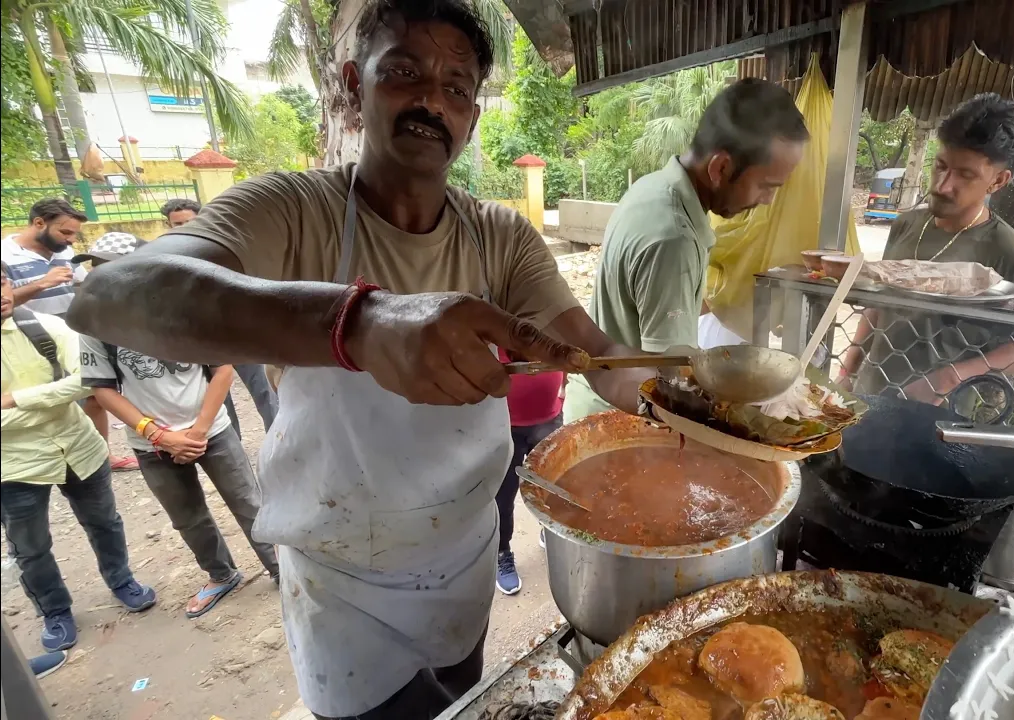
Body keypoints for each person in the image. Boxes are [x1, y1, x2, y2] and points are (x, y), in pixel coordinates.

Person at [66, 1, 653, 716]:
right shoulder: (292, 212)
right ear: (353, 85)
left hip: (461, 552)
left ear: (471, 117)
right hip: (342, 578)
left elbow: (598, 356)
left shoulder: (501, 237)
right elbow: (113, 296)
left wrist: (703, 404)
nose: (432, 101)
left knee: (460, 699)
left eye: (457, 88)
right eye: (404, 73)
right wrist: (357, 322)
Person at [562, 78, 809, 421]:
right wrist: (758, 406)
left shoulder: (656, 187)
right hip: (619, 420)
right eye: (766, 186)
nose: (767, 201)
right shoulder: (674, 237)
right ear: (721, 168)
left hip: (597, 401)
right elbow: (669, 380)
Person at [73, 234, 279, 619]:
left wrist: (199, 430)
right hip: (152, 444)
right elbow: (102, 389)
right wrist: (158, 435)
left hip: (211, 431)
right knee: (187, 516)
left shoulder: (182, 309)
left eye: (113, 266)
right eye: (97, 267)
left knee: (248, 503)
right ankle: (221, 575)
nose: (103, 275)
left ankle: (281, 569)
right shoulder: (96, 325)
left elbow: (222, 370)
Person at [836, 93, 1014, 404]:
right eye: (940, 166)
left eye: (966, 175)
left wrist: (951, 377)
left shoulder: (1006, 249)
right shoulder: (906, 225)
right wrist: (848, 371)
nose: (943, 185)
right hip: (872, 392)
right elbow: (878, 304)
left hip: (940, 413)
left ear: (998, 181)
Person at [2, 262, 156, 653]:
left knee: (105, 523)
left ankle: (121, 581)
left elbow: (84, 380)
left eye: (1, 282)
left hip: (79, 447)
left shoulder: (41, 327)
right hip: (15, 465)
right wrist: (51, 398)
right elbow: (68, 389)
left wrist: (16, 399)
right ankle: (55, 610)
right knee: (31, 547)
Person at [2, 199, 138, 471]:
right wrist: (41, 283)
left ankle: (100, 455)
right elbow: (5, 301)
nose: (71, 239)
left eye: (74, 233)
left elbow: (82, 287)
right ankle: (40, 463)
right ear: (39, 223)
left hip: (75, 335)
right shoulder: (6, 255)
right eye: (65, 232)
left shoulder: (65, 253)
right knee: (46, 399)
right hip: (31, 341)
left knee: (95, 394)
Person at [161, 199, 280, 432]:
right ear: (169, 226)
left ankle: (280, 441)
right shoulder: (168, 257)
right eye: (178, 224)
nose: (185, 227)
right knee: (217, 398)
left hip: (243, 335)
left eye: (190, 221)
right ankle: (231, 446)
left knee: (265, 392)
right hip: (203, 341)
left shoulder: (229, 247)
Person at [492, 348, 563, 595]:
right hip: (505, 426)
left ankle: (550, 532)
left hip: (549, 418)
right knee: (503, 497)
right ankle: (502, 553)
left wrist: (561, 390)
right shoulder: (491, 321)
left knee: (552, 487)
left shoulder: (547, 318)